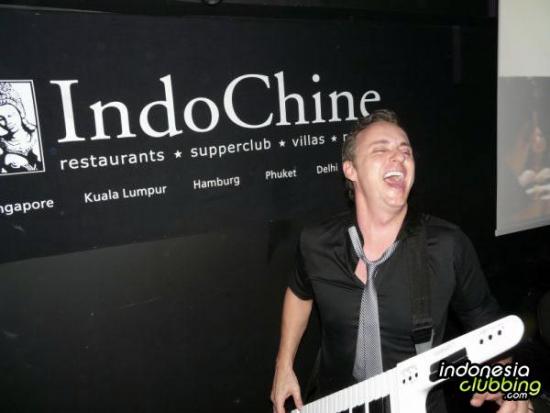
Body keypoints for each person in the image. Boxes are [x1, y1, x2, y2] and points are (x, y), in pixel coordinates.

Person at [271, 110, 533, 413]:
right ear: (351, 170)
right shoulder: (317, 242)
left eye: (405, 151)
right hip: (334, 402)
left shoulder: (446, 245)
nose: (399, 157)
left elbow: (488, 324)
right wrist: (283, 365)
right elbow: (299, 292)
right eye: (381, 150)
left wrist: (510, 383)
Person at [0, 82, 42, 173]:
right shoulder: (1, 144)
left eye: (10, 115)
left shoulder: (38, 135)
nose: (7, 122)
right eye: (1, 119)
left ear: (20, 112)